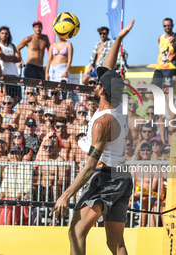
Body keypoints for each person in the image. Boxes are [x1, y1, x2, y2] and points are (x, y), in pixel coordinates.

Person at [50, 19, 134, 255]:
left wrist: (66, 194)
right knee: (115, 244)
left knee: (76, 231)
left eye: (97, 84)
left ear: (102, 91)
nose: (94, 85)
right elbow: (108, 68)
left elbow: (89, 166)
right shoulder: (116, 106)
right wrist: (117, 39)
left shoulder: (102, 122)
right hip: (122, 177)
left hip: (106, 177)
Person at [152, 18, 176, 89]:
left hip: (171, 67)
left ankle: (168, 100)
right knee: (154, 89)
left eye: (169, 25)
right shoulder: (160, 38)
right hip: (159, 67)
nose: (167, 27)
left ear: (172, 25)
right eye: (165, 26)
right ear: (162, 26)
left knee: (168, 90)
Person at [0, 146, 32, 225]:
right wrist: (1, 194)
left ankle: (8, 226)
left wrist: (19, 195)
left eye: (17, 153)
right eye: (13, 153)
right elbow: (4, 186)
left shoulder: (27, 168)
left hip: (22, 197)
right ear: (9, 155)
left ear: (21, 155)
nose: (15, 156)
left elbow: (29, 186)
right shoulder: (7, 169)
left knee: (11, 206)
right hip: (9, 197)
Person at [0, 26, 22, 104]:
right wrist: (12, 58)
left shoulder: (12, 45)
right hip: (5, 75)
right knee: (6, 97)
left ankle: (8, 110)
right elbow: (2, 56)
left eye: (6, 33)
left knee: (18, 97)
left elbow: (19, 58)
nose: (4, 35)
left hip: (15, 75)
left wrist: (6, 58)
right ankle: (6, 111)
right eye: (2, 33)